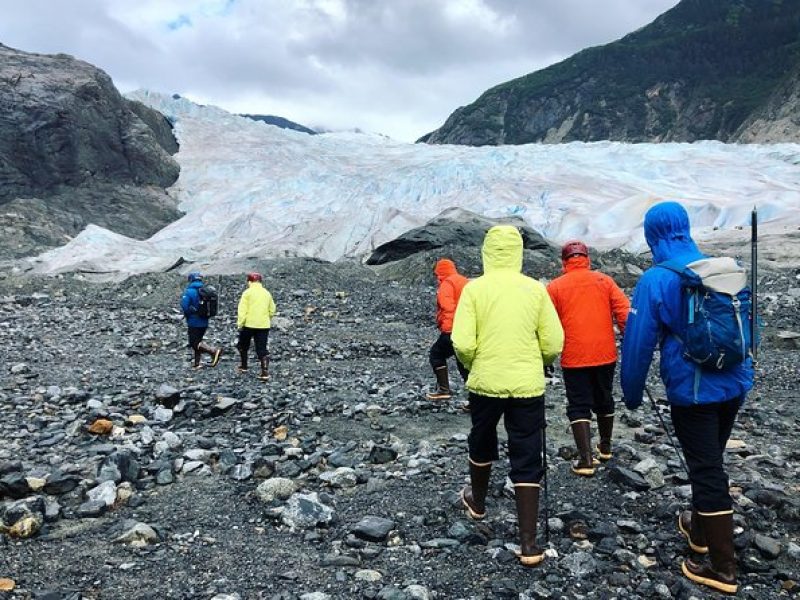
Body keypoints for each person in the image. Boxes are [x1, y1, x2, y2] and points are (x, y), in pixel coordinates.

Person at [620, 201, 753, 595]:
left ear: (652, 235)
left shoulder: (656, 279)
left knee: (706, 469)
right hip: (734, 382)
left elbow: (638, 343)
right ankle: (699, 532)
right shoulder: (720, 269)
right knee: (710, 457)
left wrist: (630, 393)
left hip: (693, 391)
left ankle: (723, 569)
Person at [451, 225, 564, 567]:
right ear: (518, 253)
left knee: (482, 438)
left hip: (485, 382)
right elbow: (553, 341)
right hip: (527, 384)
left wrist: (473, 367)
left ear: (486, 252)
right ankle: (529, 543)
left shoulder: (474, 290)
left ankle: (478, 501)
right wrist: (541, 363)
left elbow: (462, 342)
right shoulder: (535, 290)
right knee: (527, 450)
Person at [547, 240, 630, 476]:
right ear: (587, 259)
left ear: (564, 262)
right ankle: (605, 446)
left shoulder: (554, 287)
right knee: (604, 398)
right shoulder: (604, 281)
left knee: (579, 404)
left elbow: (548, 324)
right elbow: (623, 311)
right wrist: (631, 340)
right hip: (605, 353)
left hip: (574, 356)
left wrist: (546, 354)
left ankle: (585, 460)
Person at [426, 258, 470, 400]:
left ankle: (444, 390)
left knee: (436, 354)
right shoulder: (464, 281)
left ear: (440, 272)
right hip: (467, 328)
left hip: (452, 329)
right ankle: (475, 400)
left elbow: (448, 307)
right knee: (463, 363)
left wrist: (448, 330)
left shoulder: (447, 283)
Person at [237, 272, 277, 381]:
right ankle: (265, 372)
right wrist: (267, 318)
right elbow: (272, 309)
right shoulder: (266, 293)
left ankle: (244, 366)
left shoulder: (247, 293)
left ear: (249, 281)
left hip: (248, 324)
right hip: (263, 325)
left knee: (243, 345)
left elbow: (242, 310)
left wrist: (240, 323)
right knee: (261, 348)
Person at [180, 272, 222, 369]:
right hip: (204, 320)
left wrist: (189, 314)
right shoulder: (205, 290)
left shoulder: (189, 291)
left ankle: (213, 351)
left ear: (190, 280)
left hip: (194, 321)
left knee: (194, 343)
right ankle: (197, 364)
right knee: (198, 342)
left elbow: (184, 305)